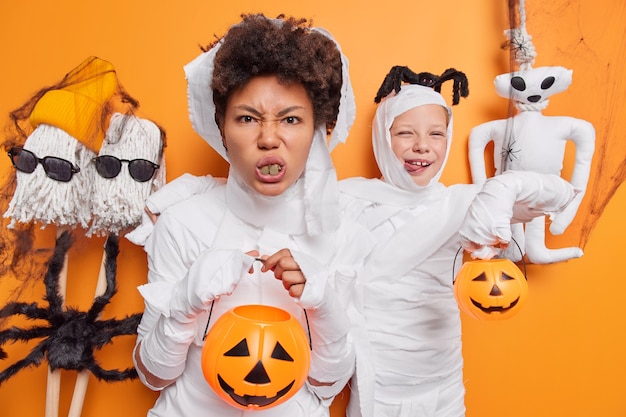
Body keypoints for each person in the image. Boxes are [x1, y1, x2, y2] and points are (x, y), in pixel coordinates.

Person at [129, 14, 372, 417]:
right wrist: (184, 303)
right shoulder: (182, 223)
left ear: (317, 130)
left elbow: (327, 385)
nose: (268, 138)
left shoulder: (345, 234)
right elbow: (153, 376)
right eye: (247, 118)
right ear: (221, 130)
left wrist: (326, 307)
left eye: (291, 119)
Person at [337, 66, 578, 417]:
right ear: (382, 136)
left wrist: (504, 187)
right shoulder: (349, 199)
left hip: (445, 385)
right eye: (405, 132)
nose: (422, 145)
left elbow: (562, 193)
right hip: (378, 390)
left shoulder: (463, 201)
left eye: (436, 134)